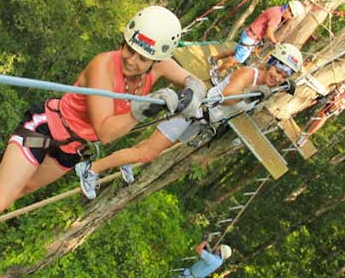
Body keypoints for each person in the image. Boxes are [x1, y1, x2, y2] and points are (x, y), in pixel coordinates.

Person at [0, 6, 207, 267]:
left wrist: (194, 88)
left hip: (71, 147)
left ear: (156, 60)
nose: (131, 60)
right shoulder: (104, 65)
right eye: (129, 48)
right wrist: (141, 110)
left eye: (142, 58)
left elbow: (187, 77)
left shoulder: (159, 66)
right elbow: (105, 130)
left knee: (24, 189)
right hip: (45, 129)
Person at [75, 43, 303, 193]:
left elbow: (258, 95)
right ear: (270, 64)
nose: (276, 77)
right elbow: (227, 97)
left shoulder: (266, 86)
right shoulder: (248, 74)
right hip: (192, 111)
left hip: (201, 121)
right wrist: (254, 93)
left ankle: (127, 163)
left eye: (283, 76)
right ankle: (91, 168)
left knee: (151, 148)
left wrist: (277, 88)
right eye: (277, 71)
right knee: (149, 153)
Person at [208, 0, 306, 80]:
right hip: (251, 37)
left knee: (235, 52)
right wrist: (275, 42)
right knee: (237, 59)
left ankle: (214, 59)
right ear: (289, 10)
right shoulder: (277, 16)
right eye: (292, 15)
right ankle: (216, 72)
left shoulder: (276, 9)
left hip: (249, 34)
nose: (290, 18)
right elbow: (269, 33)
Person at [163, 241, 232, 278]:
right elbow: (209, 256)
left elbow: (198, 249)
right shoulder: (219, 261)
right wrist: (207, 248)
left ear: (220, 251)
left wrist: (204, 242)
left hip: (190, 276)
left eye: (220, 247)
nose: (218, 246)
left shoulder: (212, 259)